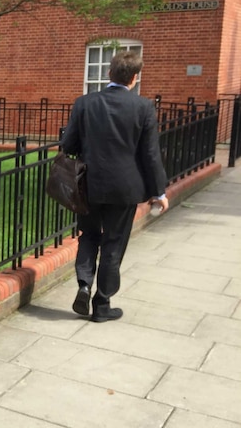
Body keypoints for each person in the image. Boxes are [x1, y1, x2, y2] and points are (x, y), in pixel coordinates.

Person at [61, 50, 168, 323]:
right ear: (134, 78)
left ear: (109, 73)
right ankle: (102, 304)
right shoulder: (143, 107)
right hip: (124, 188)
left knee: (88, 235)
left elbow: (69, 145)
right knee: (113, 242)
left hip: (88, 185)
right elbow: (150, 154)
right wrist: (159, 192)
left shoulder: (84, 103)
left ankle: (84, 283)